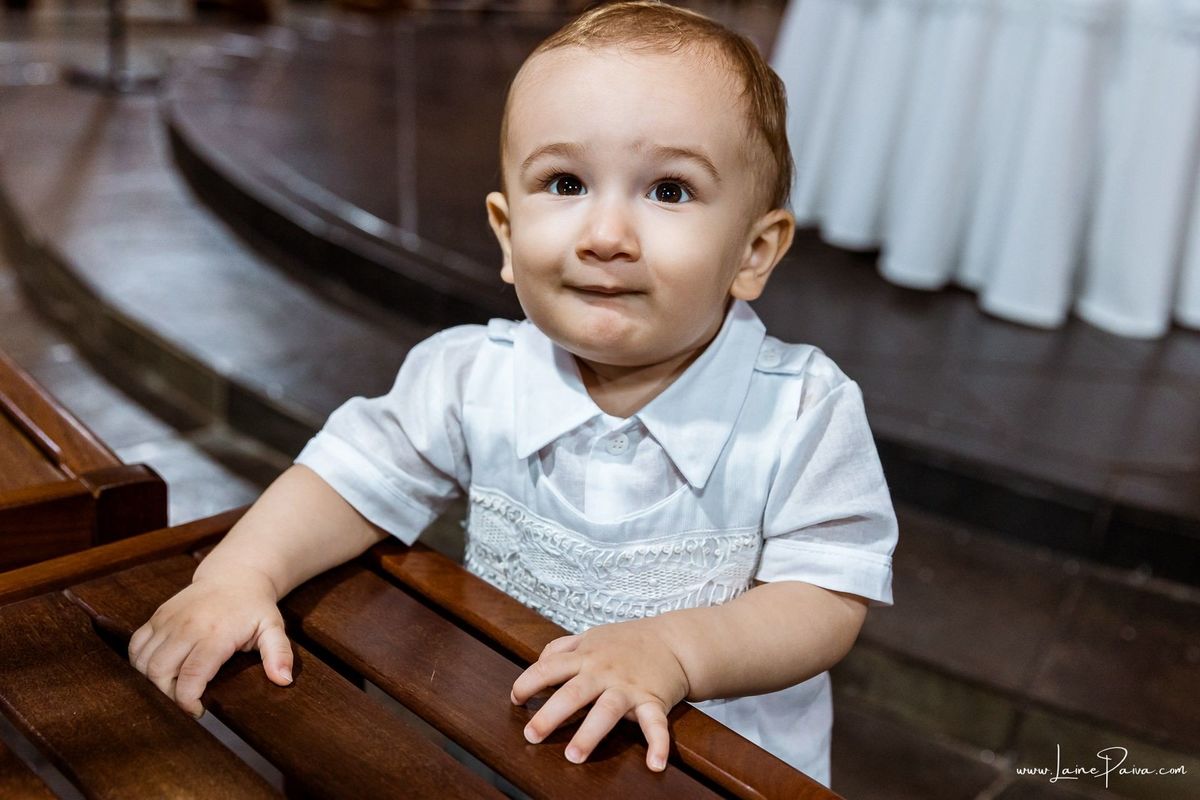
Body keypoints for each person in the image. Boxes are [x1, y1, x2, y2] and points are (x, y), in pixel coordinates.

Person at [128, 1, 897, 786]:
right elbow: (347, 480)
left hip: (707, 771)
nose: (605, 234)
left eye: (668, 191)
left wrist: (674, 650)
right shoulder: (472, 377)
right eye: (565, 182)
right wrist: (239, 575)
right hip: (512, 745)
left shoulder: (801, 410)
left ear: (754, 250)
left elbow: (824, 598)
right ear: (505, 231)